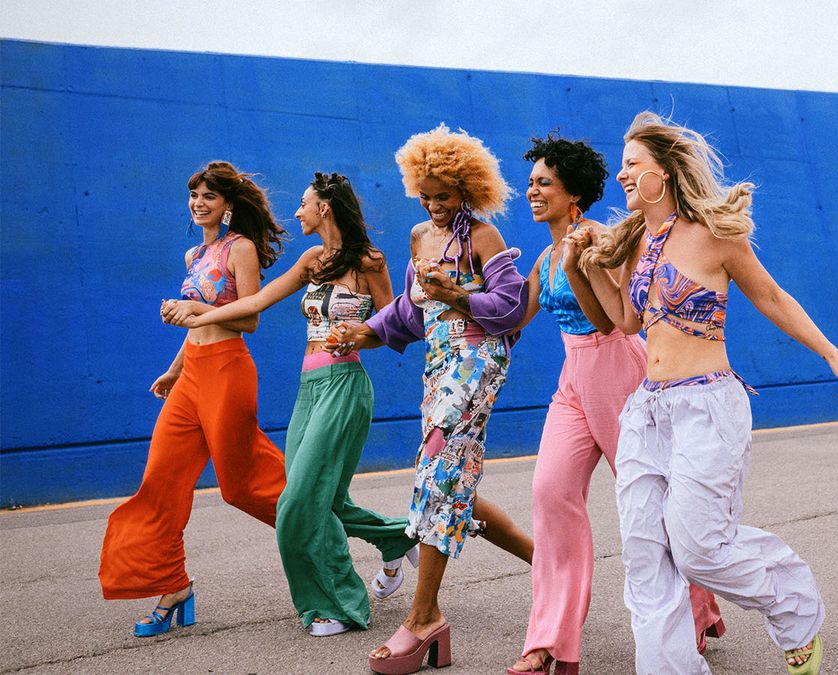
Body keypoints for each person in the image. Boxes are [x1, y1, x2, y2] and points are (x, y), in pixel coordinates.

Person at [564, 112, 838, 674]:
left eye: (632, 164)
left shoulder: (714, 234)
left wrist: (832, 353)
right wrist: (580, 267)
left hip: (706, 405)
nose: (622, 175)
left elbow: (772, 297)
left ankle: (791, 604)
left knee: (699, 548)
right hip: (646, 411)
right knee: (644, 555)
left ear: (663, 171)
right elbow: (623, 321)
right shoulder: (635, 241)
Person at [163, 171, 417, 636]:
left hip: (344, 385)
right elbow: (258, 301)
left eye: (303, 203)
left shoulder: (369, 261)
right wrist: (200, 313)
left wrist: (359, 335)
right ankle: (397, 536)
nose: (297, 212)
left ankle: (339, 605)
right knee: (311, 497)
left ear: (324, 207)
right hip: (309, 388)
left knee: (301, 500)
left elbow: (393, 324)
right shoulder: (312, 260)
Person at [508, 134, 723, 675]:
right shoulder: (543, 257)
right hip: (572, 380)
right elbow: (511, 317)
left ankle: (694, 614)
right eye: (530, 182)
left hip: (618, 369)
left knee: (656, 500)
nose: (532, 191)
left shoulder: (602, 240)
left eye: (543, 183)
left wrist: (580, 264)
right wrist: (452, 296)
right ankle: (551, 639)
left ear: (573, 193)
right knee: (550, 491)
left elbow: (615, 318)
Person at [331, 125, 533, 674]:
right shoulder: (419, 236)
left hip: (477, 359)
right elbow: (409, 311)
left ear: (467, 189)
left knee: (438, 473)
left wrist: (457, 293)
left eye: (443, 195)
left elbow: (511, 308)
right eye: (425, 195)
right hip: (438, 363)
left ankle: (424, 618)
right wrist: (363, 333)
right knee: (449, 478)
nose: (434, 204)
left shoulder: (484, 237)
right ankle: (549, 567)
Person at [99, 161, 288, 637]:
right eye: (194, 196)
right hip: (192, 374)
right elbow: (194, 326)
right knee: (160, 480)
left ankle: (327, 527)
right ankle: (173, 586)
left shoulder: (240, 248)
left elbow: (249, 320)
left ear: (227, 205)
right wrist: (174, 369)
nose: (199, 203)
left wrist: (196, 308)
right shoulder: (194, 255)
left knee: (242, 486)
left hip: (227, 369)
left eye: (209, 196)